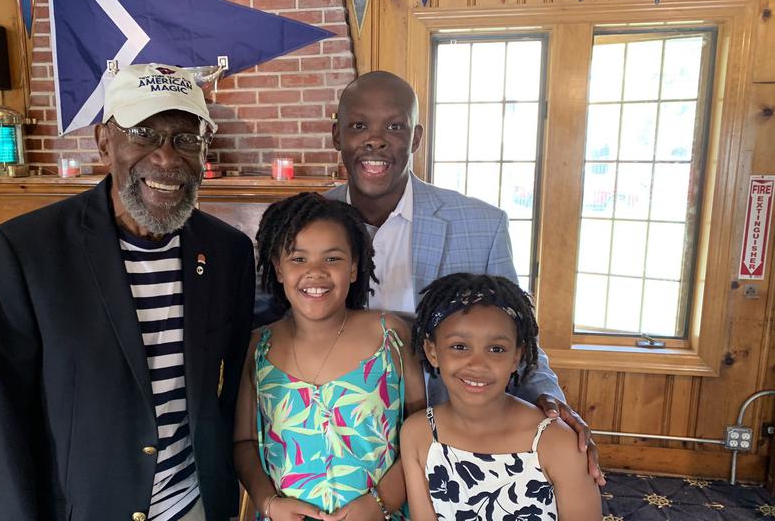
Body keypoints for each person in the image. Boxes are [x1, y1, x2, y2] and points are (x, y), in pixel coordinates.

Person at [0, 63, 255, 521]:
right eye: (143, 134)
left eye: (186, 139)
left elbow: (233, 387)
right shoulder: (24, 252)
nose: (166, 158)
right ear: (105, 141)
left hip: (193, 505)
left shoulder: (228, 253)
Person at [327, 70, 604, 484]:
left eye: (395, 126)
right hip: (338, 442)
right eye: (359, 125)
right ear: (337, 135)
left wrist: (549, 398)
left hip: (450, 443)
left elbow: (517, 336)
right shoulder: (304, 224)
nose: (376, 139)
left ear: (416, 138)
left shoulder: (480, 224)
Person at [233, 192, 425, 520]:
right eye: (298, 259)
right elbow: (245, 442)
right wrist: (269, 503)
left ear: (354, 267)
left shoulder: (389, 335)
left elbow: (423, 433)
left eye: (333, 259)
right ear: (278, 268)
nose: (316, 272)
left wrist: (381, 503)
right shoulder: (258, 347)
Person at [401, 273, 601, 520]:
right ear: (432, 351)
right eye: (459, 346)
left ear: (517, 356)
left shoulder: (557, 443)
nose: (477, 364)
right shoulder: (417, 434)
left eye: (496, 349)